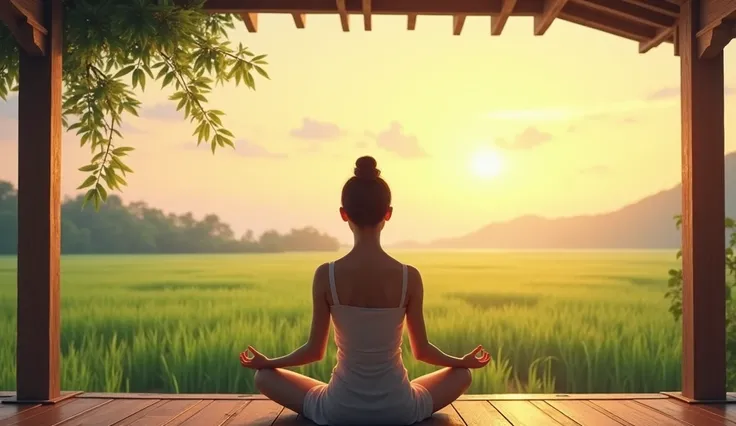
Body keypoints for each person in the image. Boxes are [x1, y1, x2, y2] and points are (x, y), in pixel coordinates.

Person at [239, 156, 491, 425]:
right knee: (462, 374)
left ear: (343, 214)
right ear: (388, 213)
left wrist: (268, 362)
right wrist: (460, 360)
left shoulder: (327, 275)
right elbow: (423, 351)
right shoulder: (409, 276)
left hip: (339, 409)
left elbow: (314, 351)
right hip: (399, 409)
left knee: (263, 376)